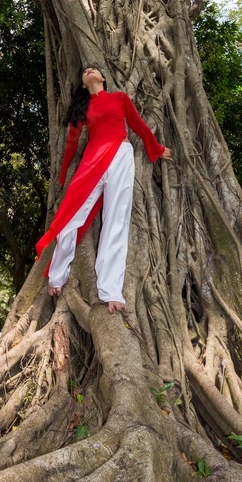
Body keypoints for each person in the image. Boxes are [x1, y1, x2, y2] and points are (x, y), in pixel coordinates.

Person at [35, 66, 172, 313]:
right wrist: (64, 174)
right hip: (92, 162)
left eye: (94, 69)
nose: (88, 69)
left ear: (103, 78)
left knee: (116, 221)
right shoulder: (84, 107)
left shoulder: (119, 98)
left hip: (121, 155)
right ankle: (57, 275)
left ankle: (110, 290)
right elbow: (71, 142)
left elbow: (139, 125)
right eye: (85, 71)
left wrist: (157, 149)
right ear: (84, 83)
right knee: (70, 217)